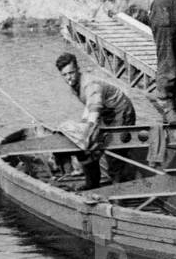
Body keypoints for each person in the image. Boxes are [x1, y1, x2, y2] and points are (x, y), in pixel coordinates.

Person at [54, 52, 138, 189]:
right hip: (105, 113)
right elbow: (88, 107)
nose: (69, 77)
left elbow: (94, 108)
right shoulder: (75, 86)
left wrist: (88, 130)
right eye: (65, 75)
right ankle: (92, 183)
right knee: (88, 148)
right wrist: (83, 130)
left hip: (121, 112)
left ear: (77, 69)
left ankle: (118, 193)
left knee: (114, 152)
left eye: (71, 73)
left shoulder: (90, 84)